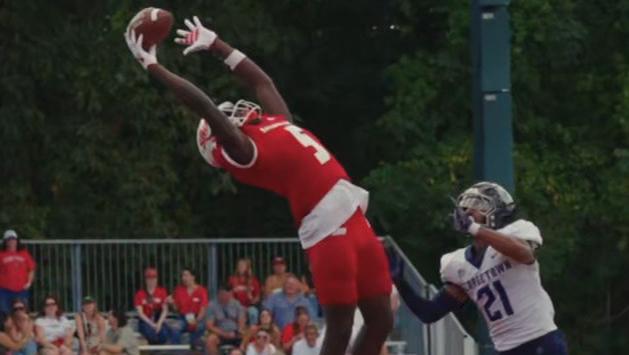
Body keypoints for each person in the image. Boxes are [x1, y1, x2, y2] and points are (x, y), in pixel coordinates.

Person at [124, 14, 393, 355]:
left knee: (381, 319)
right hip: (328, 227)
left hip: (353, 216)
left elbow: (262, 83)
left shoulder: (270, 124)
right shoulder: (243, 152)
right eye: (224, 114)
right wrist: (153, 66)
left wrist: (218, 46)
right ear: (214, 140)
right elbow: (206, 107)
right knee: (340, 326)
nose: (231, 109)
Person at [388, 182, 569, 355]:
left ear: (497, 209)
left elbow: (523, 253)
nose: (468, 211)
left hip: (541, 341)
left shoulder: (516, 233)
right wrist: (400, 281)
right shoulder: (458, 263)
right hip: (506, 349)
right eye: (465, 207)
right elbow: (430, 313)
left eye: (477, 204)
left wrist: (475, 228)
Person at [168, 267, 208, 348]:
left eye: (186, 275)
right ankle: (177, 352)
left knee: (199, 328)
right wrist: (172, 303)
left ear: (193, 277)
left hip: (197, 317)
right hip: (183, 318)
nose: (183, 278)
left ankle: (193, 350)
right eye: (182, 276)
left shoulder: (201, 290)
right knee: (175, 329)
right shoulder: (179, 290)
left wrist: (196, 321)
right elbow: (176, 309)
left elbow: (203, 309)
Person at [133, 267, 172, 345]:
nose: (152, 281)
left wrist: (159, 323)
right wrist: (152, 324)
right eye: (149, 278)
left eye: (154, 278)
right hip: (145, 322)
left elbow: (165, 310)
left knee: (165, 334)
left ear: (157, 279)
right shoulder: (140, 294)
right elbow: (140, 313)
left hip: (158, 320)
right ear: (146, 280)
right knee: (151, 335)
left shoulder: (162, 291)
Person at [0, 230, 36, 313]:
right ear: (5, 242)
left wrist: (29, 282)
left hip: (21, 290)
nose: (12, 241)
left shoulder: (24, 254)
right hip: (4, 290)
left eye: (13, 239)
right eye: (9, 239)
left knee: (22, 313)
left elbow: (31, 269)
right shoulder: (1, 255)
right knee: (5, 314)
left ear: (17, 241)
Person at [205, 286, 246, 355]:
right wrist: (225, 334)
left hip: (235, 332)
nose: (225, 297)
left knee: (248, 335)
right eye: (223, 295)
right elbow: (209, 325)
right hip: (219, 334)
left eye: (228, 295)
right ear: (219, 294)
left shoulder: (236, 304)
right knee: (210, 340)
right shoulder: (212, 305)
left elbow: (242, 320)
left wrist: (238, 331)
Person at [228, 258, 261, 325]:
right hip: (236, 306)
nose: (241, 267)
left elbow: (257, 297)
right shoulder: (232, 279)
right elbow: (229, 295)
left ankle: (252, 330)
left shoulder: (254, 281)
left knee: (253, 312)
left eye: (243, 266)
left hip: (250, 306)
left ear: (247, 268)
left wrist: (252, 300)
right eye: (239, 265)